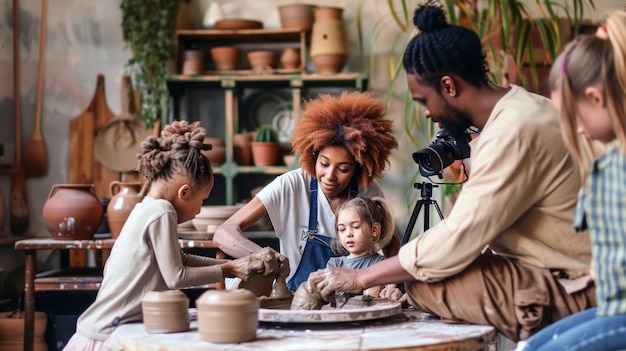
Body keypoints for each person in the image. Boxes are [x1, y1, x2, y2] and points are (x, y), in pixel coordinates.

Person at [307, 1, 595, 343]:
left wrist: (360, 278)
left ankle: (545, 328)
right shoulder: (524, 108)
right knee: (427, 268)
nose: (427, 114)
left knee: (424, 281)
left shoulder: (514, 130)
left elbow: (459, 238)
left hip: (577, 286)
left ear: (448, 85)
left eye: (423, 101)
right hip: (560, 268)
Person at [64, 121, 284, 350]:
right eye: (202, 201)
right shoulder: (162, 211)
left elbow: (182, 260)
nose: (199, 211)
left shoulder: (145, 207)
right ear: (184, 192)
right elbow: (175, 276)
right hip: (104, 338)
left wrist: (234, 264)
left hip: (105, 330)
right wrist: (228, 270)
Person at [514, 11, 626, 351]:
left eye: (573, 117)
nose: (576, 130)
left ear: (595, 97)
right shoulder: (610, 162)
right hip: (614, 308)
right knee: (528, 347)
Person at [214, 91, 400, 292]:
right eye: (324, 164)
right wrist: (264, 256)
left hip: (347, 302)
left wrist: (391, 285)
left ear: (359, 167)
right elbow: (224, 232)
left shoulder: (367, 190)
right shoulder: (291, 185)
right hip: (293, 297)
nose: (330, 176)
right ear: (314, 156)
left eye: (343, 169)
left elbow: (392, 245)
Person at [329, 196, 404, 300]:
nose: (348, 234)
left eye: (355, 227)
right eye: (342, 229)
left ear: (374, 230)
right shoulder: (334, 265)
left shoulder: (381, 265)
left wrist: (393, 293)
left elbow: (390, 290)